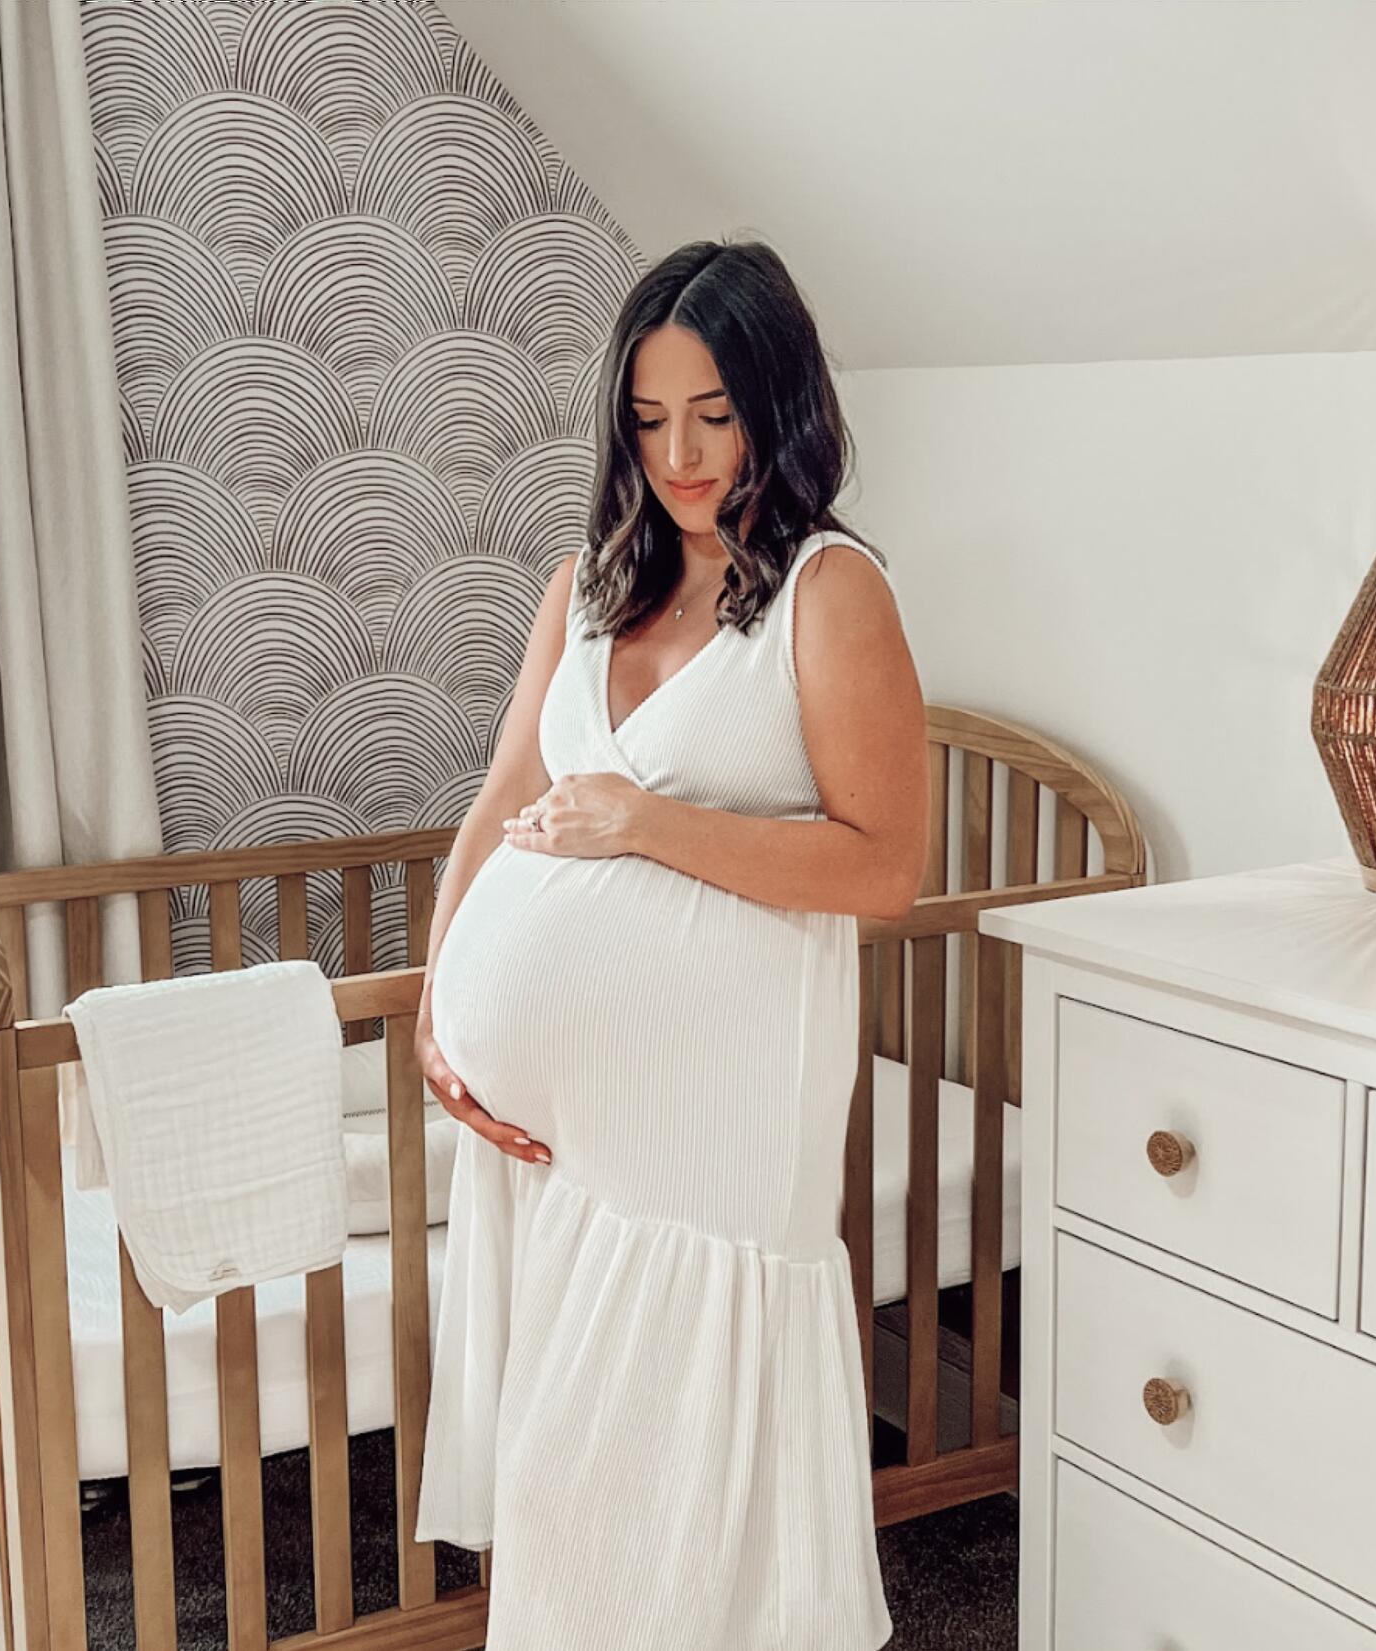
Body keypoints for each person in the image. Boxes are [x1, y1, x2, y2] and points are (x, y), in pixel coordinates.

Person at [410, 240, 925, 1649]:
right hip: (573, 1150)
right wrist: (440, 1007)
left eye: (713, 414)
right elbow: (501, 799)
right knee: (564, 1472)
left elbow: (883, 866)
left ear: (780, 403)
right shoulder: (587, 581)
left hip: (720, 1126)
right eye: (648, 419)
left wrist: (645, 821)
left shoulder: (829, 592)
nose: (680, 456)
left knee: (671, 1492)